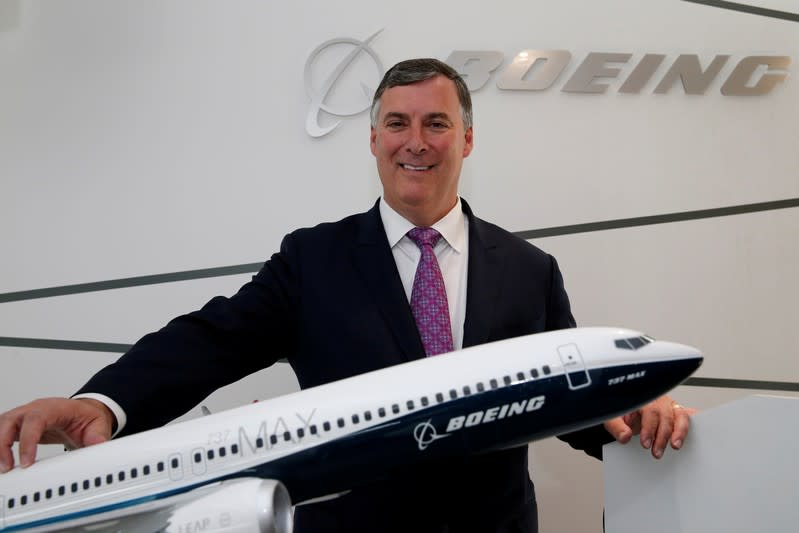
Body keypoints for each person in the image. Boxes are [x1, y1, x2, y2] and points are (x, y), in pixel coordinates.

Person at [0, 58, 693, 532]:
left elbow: (556, 399)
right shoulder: (314, 259)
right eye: (397, 123)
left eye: (435, 123)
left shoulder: (527, 267)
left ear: (467, 138)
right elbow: (208, 342)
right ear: (372, 139)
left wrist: (632, 408)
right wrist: (100, 403)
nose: (414, 142)